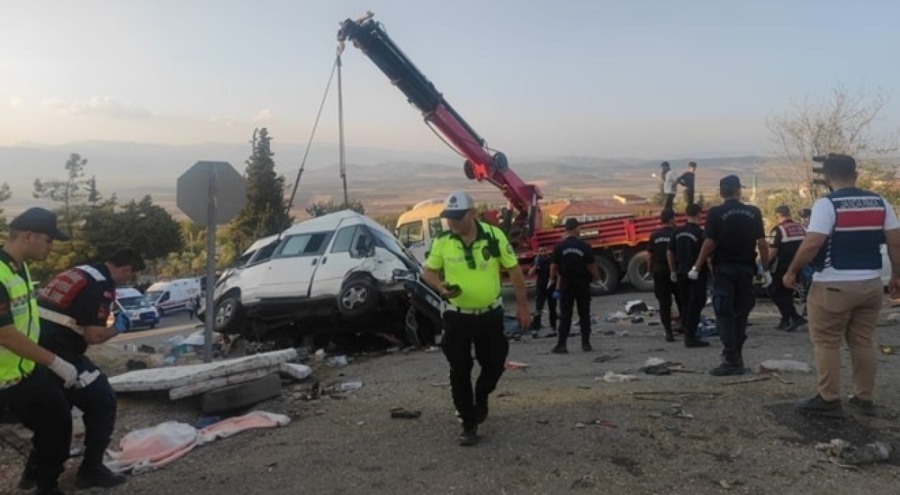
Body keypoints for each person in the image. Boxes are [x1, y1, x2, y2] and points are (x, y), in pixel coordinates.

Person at [783, 154, 900, 418]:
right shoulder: (880, 202)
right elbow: (895, 240)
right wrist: (896, 275)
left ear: (826, 178)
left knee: (827, 342)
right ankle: (864, 397)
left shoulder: (827, 204)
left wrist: (792, 270)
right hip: (870, 283)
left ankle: (829, 398)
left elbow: (813, 243)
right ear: (856, 175)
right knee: (863, 341)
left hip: (832, 284)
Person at [423, 191, 530, 446]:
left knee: (494, 364)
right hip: (456, 317)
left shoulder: (494, 236)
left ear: (472, 213)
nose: (452, 222)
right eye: (449, 217)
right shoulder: (443, 242)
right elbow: (429, 272)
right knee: (459, 370)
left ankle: (481, 397)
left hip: (490, 315)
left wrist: (523, 307)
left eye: (458, 216)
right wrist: (441, 287)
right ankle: (468, 424)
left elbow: (514, 270)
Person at [36, 248, 146, 488]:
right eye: (131, 274)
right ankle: (91, 470)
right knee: (102, 400)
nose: (129, 279)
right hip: (61, 353)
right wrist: (118, 328)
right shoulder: (100, 286)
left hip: (36, 348)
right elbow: (93, 336)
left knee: (55, 413)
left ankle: (36, 473)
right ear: (126, 269)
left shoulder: (79, 272)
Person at [0, 208, 79, 495]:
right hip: (4, 378)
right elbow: (4, 333)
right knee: (53, 423)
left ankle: (44, 485)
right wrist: (55, 362)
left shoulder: (18, 268)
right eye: (48, 240)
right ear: (27, 236)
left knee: (57, 423)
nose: (51, 247)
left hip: (24, 370)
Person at [691, 175, 768, 376]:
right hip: (746, 269)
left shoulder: (716, 213)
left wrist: (697, 266)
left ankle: (731, 359)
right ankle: (737, 356)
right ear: (738, 191)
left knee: (724, 313)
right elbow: (762, 243)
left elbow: (709, 242)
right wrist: (766, 269)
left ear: (721, 191)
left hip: (725, 269)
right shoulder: (753, 212)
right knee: (741, 312)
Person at [549, 218, 600, 354]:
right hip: (582, 283)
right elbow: (592, 266)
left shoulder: (559, 247)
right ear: (576, 228)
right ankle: (586, 344)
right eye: (579, 228)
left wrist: (552, 279)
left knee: (565, 314)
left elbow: (553, 267)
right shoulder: (585, 246)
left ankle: (561, 345)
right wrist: (597, 278)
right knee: (584, 314)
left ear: (566, 229)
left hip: (566, 284)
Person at [668, 203, 710, 347]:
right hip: (696, 273)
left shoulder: (677, 232)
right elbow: (707, 254)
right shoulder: (700, 233)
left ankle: (687, 330)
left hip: (681, 272)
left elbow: (670, 252)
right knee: (696, 303)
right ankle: (690, 337)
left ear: (686, 214)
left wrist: (672, 270)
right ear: (699, 214)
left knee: (685, 303)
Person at [767, 205, 807, 331]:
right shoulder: (802, 228)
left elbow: (772, 252)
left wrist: (763, 265)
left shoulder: (778, 230)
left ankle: (794, 317)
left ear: (777, 216)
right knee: (787, 293)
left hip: (781, 266)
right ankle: (786, 320)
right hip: (799, 265)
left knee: (774, 291)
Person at [648, 210, 682, 342]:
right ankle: (685, 327)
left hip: (660, 271)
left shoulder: (654, 235)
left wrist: (650, 270)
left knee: (664, 303)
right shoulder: (677, 233)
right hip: (675, 271)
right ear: (671, 219)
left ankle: (668, 332)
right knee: (681, 300)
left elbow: (650, 256)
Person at [527, 247, 557, 339]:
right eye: (541, 251)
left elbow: (556, 270)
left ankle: (554, 328)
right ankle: (535, 329)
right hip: (540, 288)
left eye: (545, 251)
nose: (543, 253)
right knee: (538, 309)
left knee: (553, 308)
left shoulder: (551, 259)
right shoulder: (536, 260)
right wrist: (536, 265)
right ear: (538, 252)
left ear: (547, 251)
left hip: (551, 286)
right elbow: (530, 273)